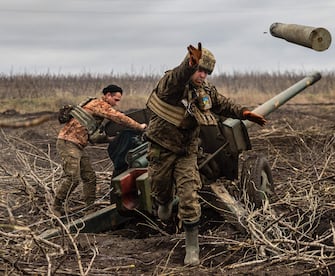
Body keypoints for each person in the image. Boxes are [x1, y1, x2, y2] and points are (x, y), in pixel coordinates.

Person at [145, 42, 266, 266]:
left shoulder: (206, 90)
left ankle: (192, 247)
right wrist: (189, 64)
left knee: (189, 196)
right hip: (161, 147)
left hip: (187, 150)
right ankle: (162, 201)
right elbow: (178, 77)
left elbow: (222, 104)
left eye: (207, 72)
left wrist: (246, 113)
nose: (203, 75)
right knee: (160, 187)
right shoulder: (172, 84)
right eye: (200, 70)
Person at [53, 84, 147, 216]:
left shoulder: (94, 106)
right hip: (68, 143)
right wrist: (139, 126)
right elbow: (119, 118)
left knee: (90, 177)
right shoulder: (99, 104)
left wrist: (110, 139)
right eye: (116, 100)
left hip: (77, 145)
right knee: (73, 178)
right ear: (108, 95)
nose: (116, 104)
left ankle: (89, 209)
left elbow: (93, 136)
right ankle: (56, 207)